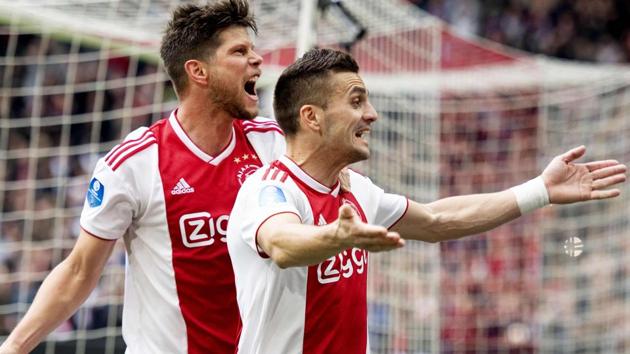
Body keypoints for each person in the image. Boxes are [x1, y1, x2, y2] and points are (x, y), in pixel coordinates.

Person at [226, 48, 627, 353]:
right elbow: (281, 243)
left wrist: (539, 191)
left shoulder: (357, 191)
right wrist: (337, 236)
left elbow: (436, 220)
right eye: (355, 101)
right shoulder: (268, 189)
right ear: (312, 118)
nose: (372, 114)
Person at [0, 1, 286, 353]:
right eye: (240, 51)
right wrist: (13, 348)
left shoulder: (275, 145)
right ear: (198, 71)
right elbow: (79, 271)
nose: (257, 59)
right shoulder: (135, 163)